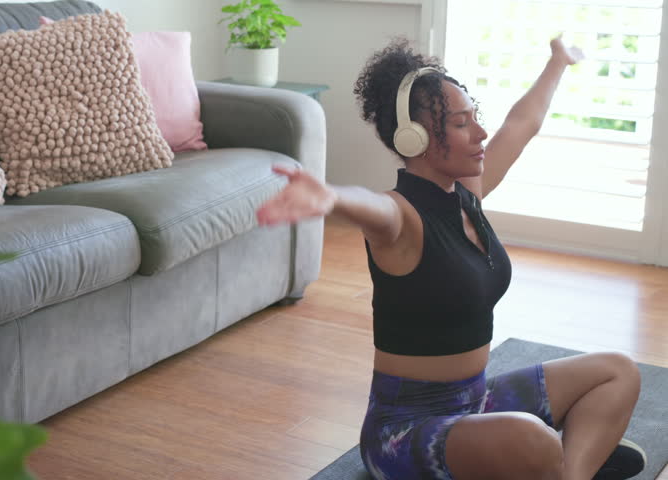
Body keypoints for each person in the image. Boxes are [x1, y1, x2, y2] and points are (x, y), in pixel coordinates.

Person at [256, 36, 646, 480]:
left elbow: (522, 123)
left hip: (475, 402)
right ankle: (556, 453)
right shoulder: (400, 217)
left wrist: (558, 62)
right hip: (407, 431)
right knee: (530, 437)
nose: (480, 133)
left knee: (618, 371)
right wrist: (330, 197)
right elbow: (370, 207)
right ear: (415, 137)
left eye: (475, 119)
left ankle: (566, 471)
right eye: (463, 124)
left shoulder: (467, 195)